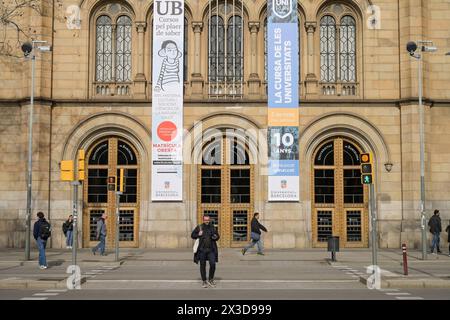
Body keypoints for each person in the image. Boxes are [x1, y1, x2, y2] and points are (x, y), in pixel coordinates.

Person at [191, 215, 220, 288]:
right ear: (203, 220)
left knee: (213, 264)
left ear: (209, 220)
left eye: (208, 220)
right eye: (205, 220)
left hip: (211, 250)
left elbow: (217, 236)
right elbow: (192, 235)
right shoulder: (200, 227)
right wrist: (198, 234)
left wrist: (215, 237)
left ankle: (210, 279)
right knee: (202, 266)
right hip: (202, 250)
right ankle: (204, 281)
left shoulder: (212, 227)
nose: (207, 221)